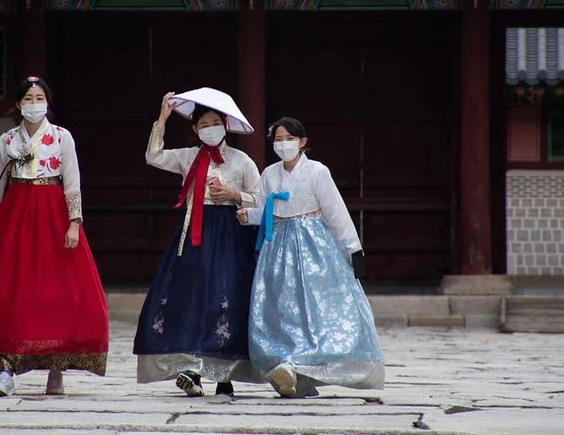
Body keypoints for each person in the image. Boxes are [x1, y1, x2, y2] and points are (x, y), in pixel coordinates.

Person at [0, 76, 108, 397]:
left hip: (52, 214)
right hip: (15, 215)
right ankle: (6, 370)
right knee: (11, 288)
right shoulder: (7, 140)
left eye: (39, 97)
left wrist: (74, 222)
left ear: (48, 103)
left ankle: (56, 370)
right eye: (28, 98)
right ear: (18, 104)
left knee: (56, 290)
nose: (34, 103)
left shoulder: (61, 137)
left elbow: (72, 180)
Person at [238, 117, 385, 398]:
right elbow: (266, 208)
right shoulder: (269, 173)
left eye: (289, 139)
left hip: (313, 246)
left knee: (317, 309)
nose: (283, 144)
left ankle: (305, 365)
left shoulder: (318, 172)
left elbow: (335, 211)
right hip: (278, 247)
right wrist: (249, 216)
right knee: (280, 310)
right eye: (278, 139)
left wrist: (352, 248)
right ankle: (289, 369)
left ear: (302, 142)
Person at [134, 91, 263, 398]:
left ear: (227, 125)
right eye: (204, 124)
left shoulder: (242, 161)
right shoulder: (188, 157)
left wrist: (233, 195)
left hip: (230, 235)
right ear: (195, 129)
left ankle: (225, 374)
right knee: (192, 297)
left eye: (216, 122)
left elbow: (261, 199)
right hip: (194, 234)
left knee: (227, 299)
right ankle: (194, 368)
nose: (210, 128)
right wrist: (162, 120)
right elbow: (153, 156)